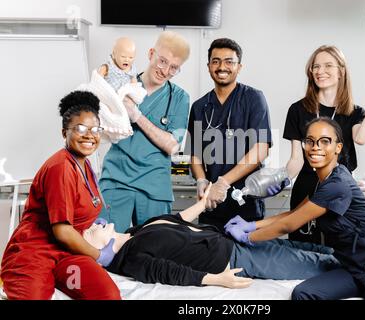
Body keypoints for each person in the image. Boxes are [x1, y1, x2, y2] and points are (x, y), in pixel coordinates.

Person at [225, 117, 365, 300]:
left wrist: (248, 237)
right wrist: (252, 224)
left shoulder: (337, 185)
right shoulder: (322, 183)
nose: (315, 147)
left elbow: (288, 225)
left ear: (337, 148)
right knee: (304, 293)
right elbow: (293, 214)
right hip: (356, 267)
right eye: (310, 141)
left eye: (325, 141)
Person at [83, 183, 340, 288]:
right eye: (88, 233)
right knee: (313, 264)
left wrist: (204, 202)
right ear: (98, 253)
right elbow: (169, 272)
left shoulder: (135, 231)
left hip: (232, 240)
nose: (92, 226)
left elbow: (177, 219)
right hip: (233, 259)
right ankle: (360, 272)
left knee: (308, 248)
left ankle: (356, 259)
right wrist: (216, 280)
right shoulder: (132, 258)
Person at [0, 91, 120, 300]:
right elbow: (63, 232)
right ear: (65, 132)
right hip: (35, 253)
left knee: (107, 295)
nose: (89, 135)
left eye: (95, 129)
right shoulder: (61, 167)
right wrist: (99, 255)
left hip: (67, 255)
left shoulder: (86, 165)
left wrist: (87, 224)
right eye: (80, 128)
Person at [278, 45, 365, 243]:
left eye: (328, 65)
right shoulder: (298, 110)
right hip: (305, 190)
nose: (320, 71)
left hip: (339, 191)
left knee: (339, 252)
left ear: (341, 71)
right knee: (302, 253)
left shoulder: (354, 113)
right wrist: (279, 180)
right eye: (315, 66)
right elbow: (296, 160)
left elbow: (361, 138)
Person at [99, 31, 191, 233]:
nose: (165, 70)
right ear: (151, 54)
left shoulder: (179, 98)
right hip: (117, 179)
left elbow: (172, 145)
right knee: (107, 247)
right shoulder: (122, 85)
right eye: (162, 61)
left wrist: (136, 115)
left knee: (153, 252)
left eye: (174, 67)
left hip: (154, 187)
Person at [186, 38, 272, 231]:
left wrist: (224, 182)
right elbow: (195, 154)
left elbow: (261, 149)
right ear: (208, 66)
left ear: (239, 67)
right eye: (215, 61)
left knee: (246, 258)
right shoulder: (200, 107)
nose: (221, 67)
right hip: (212, 204)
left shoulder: (253, 99)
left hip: (247, 203)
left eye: (229, 61)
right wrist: (201, 180)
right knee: (211, 258)